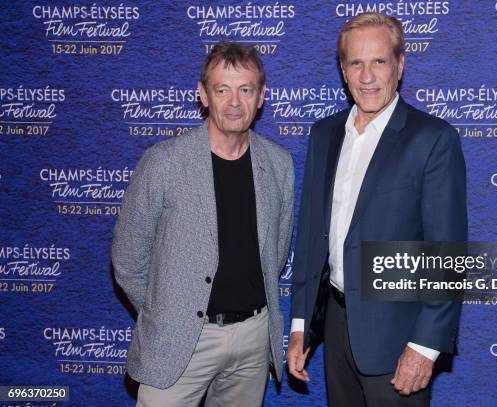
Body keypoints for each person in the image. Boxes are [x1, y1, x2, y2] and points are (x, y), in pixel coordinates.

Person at [287, 12, 467, 407]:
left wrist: (424, 345)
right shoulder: (324, 135)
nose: (367, 75)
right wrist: (301, 324)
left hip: (399, 336)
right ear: (343, 70)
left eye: (379, 61)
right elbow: (312, 237)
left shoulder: (433, 140)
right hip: (335, 327)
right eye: (356, 62)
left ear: (399, 66)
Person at [112, 41, 294, 407]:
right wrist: (166, 313)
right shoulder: (163, 162)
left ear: (261, 96)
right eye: (222, 89)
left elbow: (276, 252)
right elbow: (129, 257)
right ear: (203, 95)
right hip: (179, 338)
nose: (233, 102)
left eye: (246, 90)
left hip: (253, 338)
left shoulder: (278, 164)